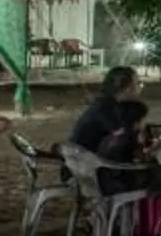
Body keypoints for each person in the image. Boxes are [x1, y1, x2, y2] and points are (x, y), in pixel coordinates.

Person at [65, 66, 155, 195]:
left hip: (85, 165)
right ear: (126, 87)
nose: (140, 87)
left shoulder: (108, 105)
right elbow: (120, 139)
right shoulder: (105, 109)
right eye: (138, 83)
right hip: (85, 171)